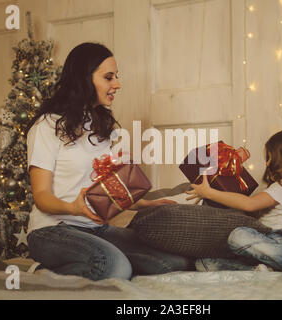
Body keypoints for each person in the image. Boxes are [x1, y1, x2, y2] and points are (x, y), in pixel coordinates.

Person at [25, 42, 191, 281]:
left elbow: (108, 192)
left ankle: (81, 267)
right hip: (52, 229)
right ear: (84, 78)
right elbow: (41, 196)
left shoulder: (102, 128)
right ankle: (43, 274)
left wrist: (145, 204)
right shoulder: (47, 126)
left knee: (173, 264)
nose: (117, 84)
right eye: (108, 77)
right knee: (115, 268)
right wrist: (72, 207)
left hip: (94, 228)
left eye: (116, 77)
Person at [186, 128, 282, 279]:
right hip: (265, 245)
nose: (267, 163)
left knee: (238, 236)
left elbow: (249, 204)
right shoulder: (277, 188)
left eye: (271, 158)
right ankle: (260, 272)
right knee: (203, 262)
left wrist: (209, 192)